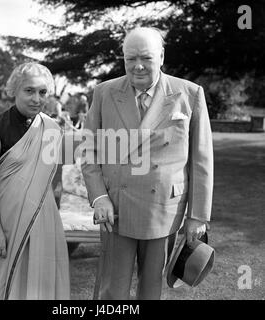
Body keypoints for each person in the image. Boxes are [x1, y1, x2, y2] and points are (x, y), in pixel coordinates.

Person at [81, 27, 213, 300]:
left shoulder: (189, 94)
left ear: (161, 56)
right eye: (130, 59)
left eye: (146, 58)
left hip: (164, 211)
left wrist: (198, 215)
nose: (137, 66)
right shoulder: (104, 93)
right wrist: (99, 197)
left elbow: (201, 160)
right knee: (112, 292)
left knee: (151, 291)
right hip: (116, 210)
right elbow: (90, 151)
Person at [0, 62, 70, 300]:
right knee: (7, 286)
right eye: (29, 91)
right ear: (14, 90)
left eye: (42, 92)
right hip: (6, 223)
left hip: (43, 218)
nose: (36, 98)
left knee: (43, 286)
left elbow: (52, 177)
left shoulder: (52, 128)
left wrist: (52, 216)